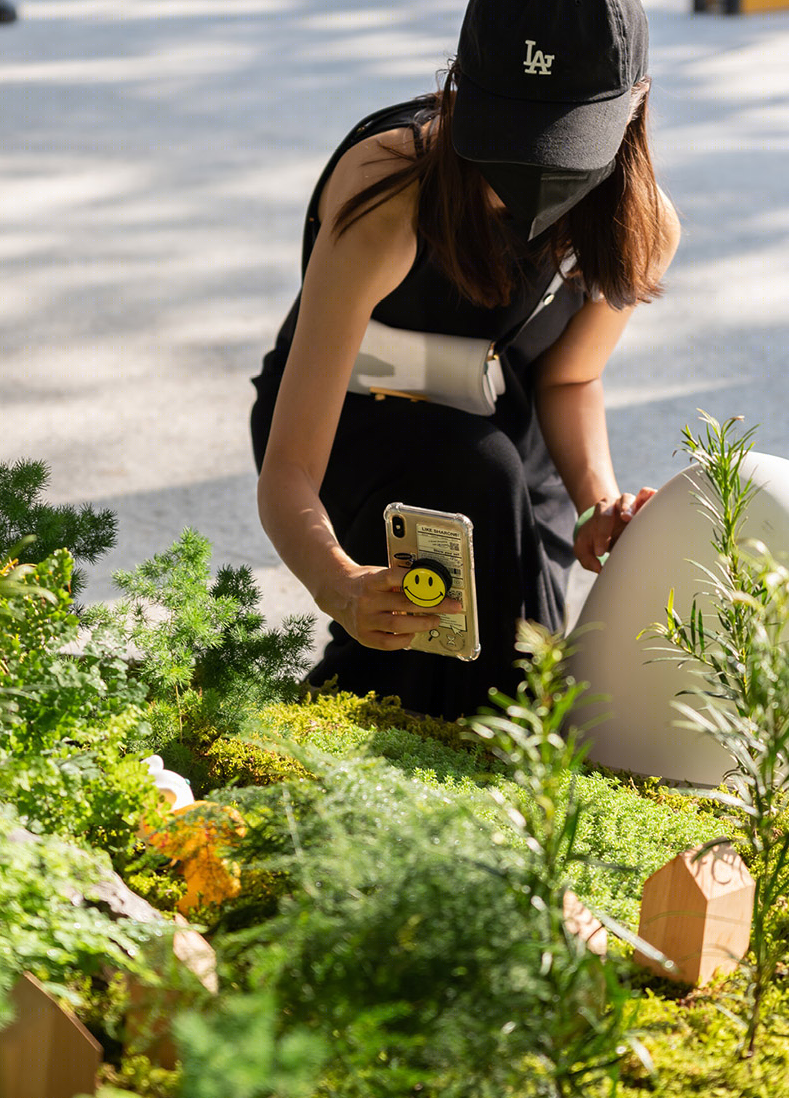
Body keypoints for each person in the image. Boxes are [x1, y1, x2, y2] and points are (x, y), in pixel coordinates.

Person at [251, 0, 680, 721]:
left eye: (565, 141)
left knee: (525, 674)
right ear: (459, 88)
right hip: (353, 415)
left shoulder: (639, 221)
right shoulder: (387, 189)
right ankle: (338, 746)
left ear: (634, 102)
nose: (533, 169)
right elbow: (289, 468)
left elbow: (571, 377)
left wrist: (597, 504)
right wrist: (341, 585)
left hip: (507, 422)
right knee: (418, 625)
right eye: (509, 133)